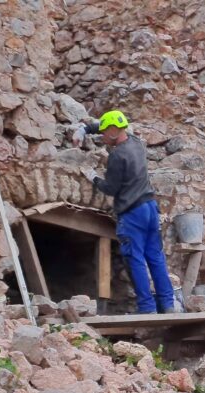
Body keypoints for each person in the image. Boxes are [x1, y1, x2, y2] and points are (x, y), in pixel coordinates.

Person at [76, 111, 175, 314]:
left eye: (104, 133)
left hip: (133, 214)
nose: (101, 136)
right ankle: (168, 304)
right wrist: (85, 128)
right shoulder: (136, 142)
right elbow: (111, 127)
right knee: (155, 257)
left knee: (135, 258)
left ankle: (147, 309)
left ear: (113, 132)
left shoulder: (118, 156)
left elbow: (111, 189)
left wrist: (93, 177)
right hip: (150, 208)